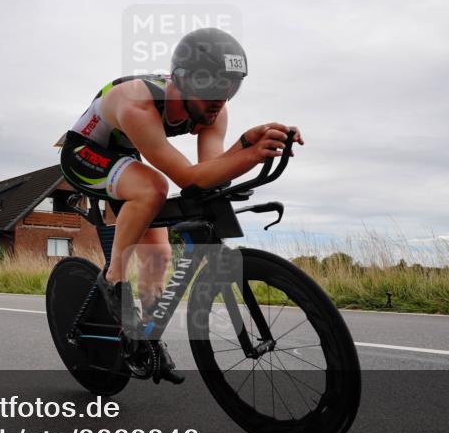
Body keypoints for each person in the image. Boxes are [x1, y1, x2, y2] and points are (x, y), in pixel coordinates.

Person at [60, 28, 302, 383]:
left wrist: (248, 143)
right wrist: (249, 154)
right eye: (213, 87)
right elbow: (189, 177)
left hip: (125, 151)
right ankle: (113, 279)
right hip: (85, 153)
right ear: (183, 81)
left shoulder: (213, 110)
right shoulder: (138, 103)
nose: (221, 99)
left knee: (158, 259)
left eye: (231, 87)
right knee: (154, 186)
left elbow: (211, 175)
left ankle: (142, 339)